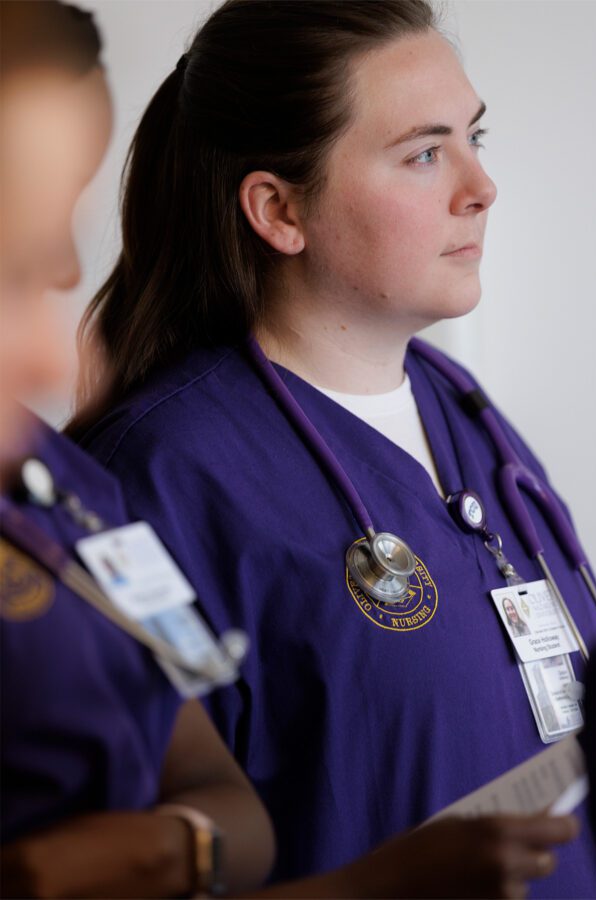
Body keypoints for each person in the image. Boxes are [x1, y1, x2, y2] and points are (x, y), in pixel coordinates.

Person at [67, 1, 596, 896]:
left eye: (475, 136)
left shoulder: (463, 411)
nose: (481, 185)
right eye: (425, 153)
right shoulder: (156, 478)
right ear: (278, 209)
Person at [0, 4, 275, 896]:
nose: (53, 351)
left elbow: (221, 796)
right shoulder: (157, 449)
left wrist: (180, 846)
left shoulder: (59, 483)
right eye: (10, 258)